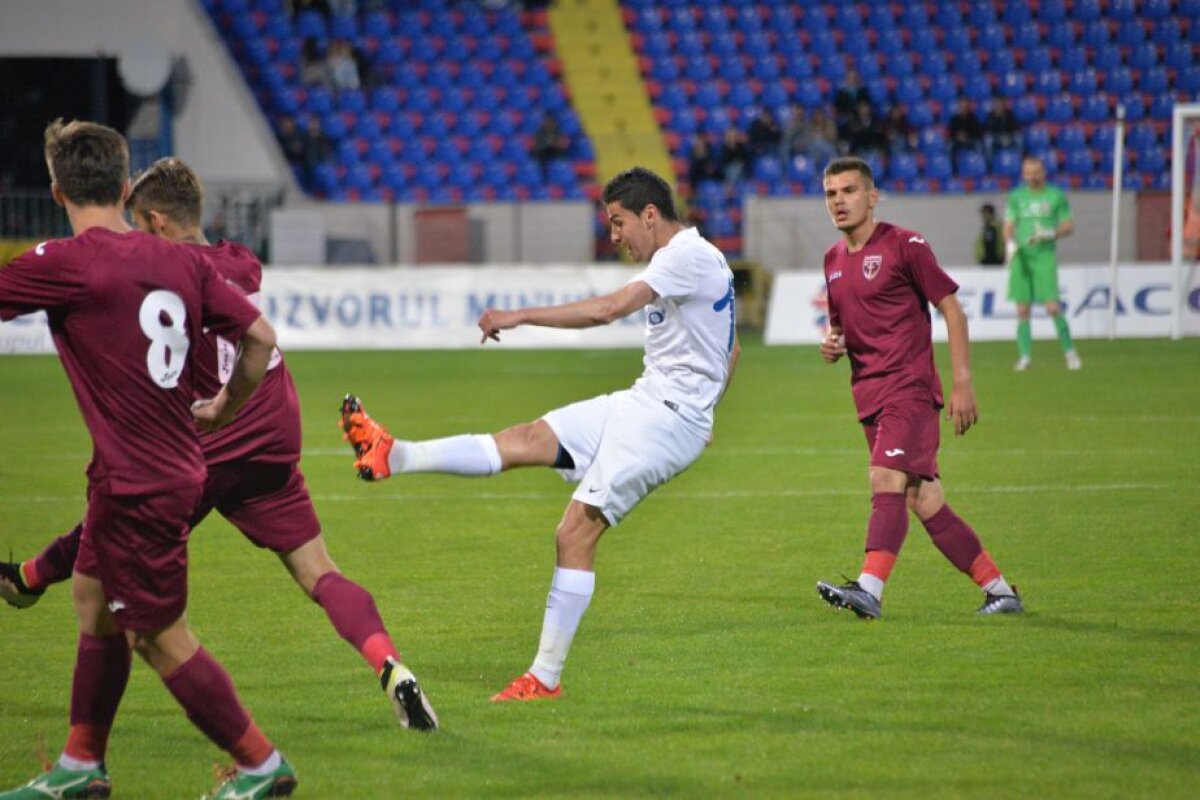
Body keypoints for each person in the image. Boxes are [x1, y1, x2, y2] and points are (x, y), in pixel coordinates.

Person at [0, 157, 438, 732]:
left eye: (136, 222)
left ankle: (30, 580)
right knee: (318, 571)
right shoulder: (241, 261)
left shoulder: (164, 270)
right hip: (276, 433)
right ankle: (391, 667)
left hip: (211, 435)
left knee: (118, 518)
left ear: (155, 221)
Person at [340, 166, 740, 701]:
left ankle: (545, 678)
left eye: (619, 223)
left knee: (574, 532)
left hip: (664, 418)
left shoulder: (683, 256)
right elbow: (729, 349)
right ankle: (393, 454)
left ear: (651, 214)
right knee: (526, 437)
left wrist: (520, 315)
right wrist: (708, 406)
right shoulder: (697, 257)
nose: (614, 236)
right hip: (647, 403)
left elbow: (606, 311)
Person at [0, 120, 292, 799]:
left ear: (56, 191)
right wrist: (224, 406)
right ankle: (80, 765)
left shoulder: (65, 262)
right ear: (127, 186)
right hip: (149, 470)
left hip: (142, 483)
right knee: (92, 599)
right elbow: (260, 337)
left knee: (159, 636)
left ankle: (259, 764)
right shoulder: (186, 262)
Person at [814, 156, 1023, 620]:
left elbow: (952, 309)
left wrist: (962, 381)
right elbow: (842, 329)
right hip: (867, 395)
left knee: (883, 480)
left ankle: (869, 589)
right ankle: (1000, 591)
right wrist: (834, 345)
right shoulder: (832, 261)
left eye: (849, 191)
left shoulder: (905, 244)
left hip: (908, 388)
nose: (839, 202)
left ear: (871, 197)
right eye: (831, 193)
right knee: (923, 499)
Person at [1003, 154, 1080, 371]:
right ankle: (1025, 357)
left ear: (1043, 172)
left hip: (1044, 257)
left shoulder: (1056, 196)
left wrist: (1049, 233)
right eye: (1028, 172)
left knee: (1053, 307)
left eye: (1035, 172)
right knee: (1022, 310)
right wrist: (1009, 245)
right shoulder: (1016, 197)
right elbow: (1008, 225)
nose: (1031, 176)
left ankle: (1070, 353)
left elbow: (1068, 226)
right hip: (1022, 258)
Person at [948, 98, 984, 166]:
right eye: (961, 105)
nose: (962, 107)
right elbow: (951, 133)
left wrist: (967, 136)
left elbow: (978, 133)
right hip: (958, 140)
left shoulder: (974, 118)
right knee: (949, 146)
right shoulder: (954, 119)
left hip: (970, 140)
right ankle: (952, 167)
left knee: (979, 146)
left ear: (968, 106)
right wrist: (957, 136)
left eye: (964, 105)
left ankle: (980, 165)